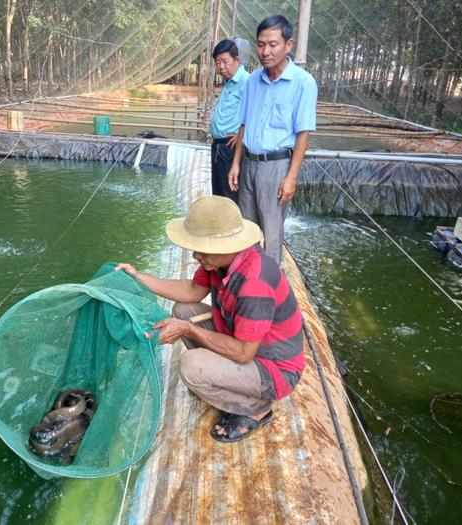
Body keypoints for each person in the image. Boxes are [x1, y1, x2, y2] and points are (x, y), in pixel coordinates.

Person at [116, 196, 305, 443]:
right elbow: (192, 292)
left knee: (191, 366)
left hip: (274, 369)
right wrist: (138, 277)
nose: (195, 255)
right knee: (184, 309)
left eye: (201, 247)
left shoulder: (254, 282)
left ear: (225, 246)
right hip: (245, 344)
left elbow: (243, 353)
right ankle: (220, 379)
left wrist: (187, 329)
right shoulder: (219, 263)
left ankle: (255, 409)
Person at [227, 15, 318, 264]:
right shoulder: (253, 81)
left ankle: (270, 292)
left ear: (288, 45)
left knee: (272, 234)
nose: (265, 51)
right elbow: (244, 124)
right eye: (260, 44)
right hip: (249, 163)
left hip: (276, 167)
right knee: (247, 230)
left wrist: (291, 177)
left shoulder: (303, 83)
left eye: (273, 44)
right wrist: (236, 163)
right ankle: (246, 284)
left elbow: (303, 134)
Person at [209, 39, 250, 203]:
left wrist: (242, 137)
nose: (221, 67)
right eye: (218, 62)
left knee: (229, 197)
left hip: (231, 148)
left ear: (237, 60)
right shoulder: (228, 83)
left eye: (225, 62)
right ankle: (220, 228)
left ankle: (233, 228)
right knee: (219, 195)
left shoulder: (246, 82)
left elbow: (256, 113)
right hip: (219, 147)